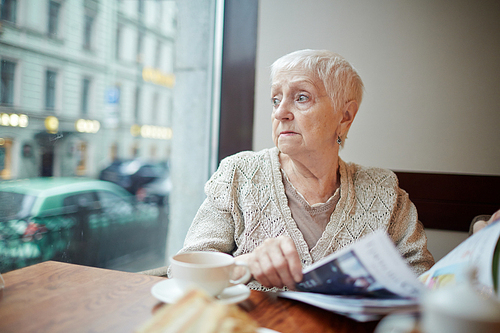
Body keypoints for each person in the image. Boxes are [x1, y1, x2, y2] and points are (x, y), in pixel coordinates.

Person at [174, 49, 435, 291]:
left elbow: (424, 280)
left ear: (345, 116)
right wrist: (246, 264)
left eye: (301, 97)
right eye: (276, 100)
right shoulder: (238, 174)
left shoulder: (383, 190)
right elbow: (184, 274)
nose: (280, 113)